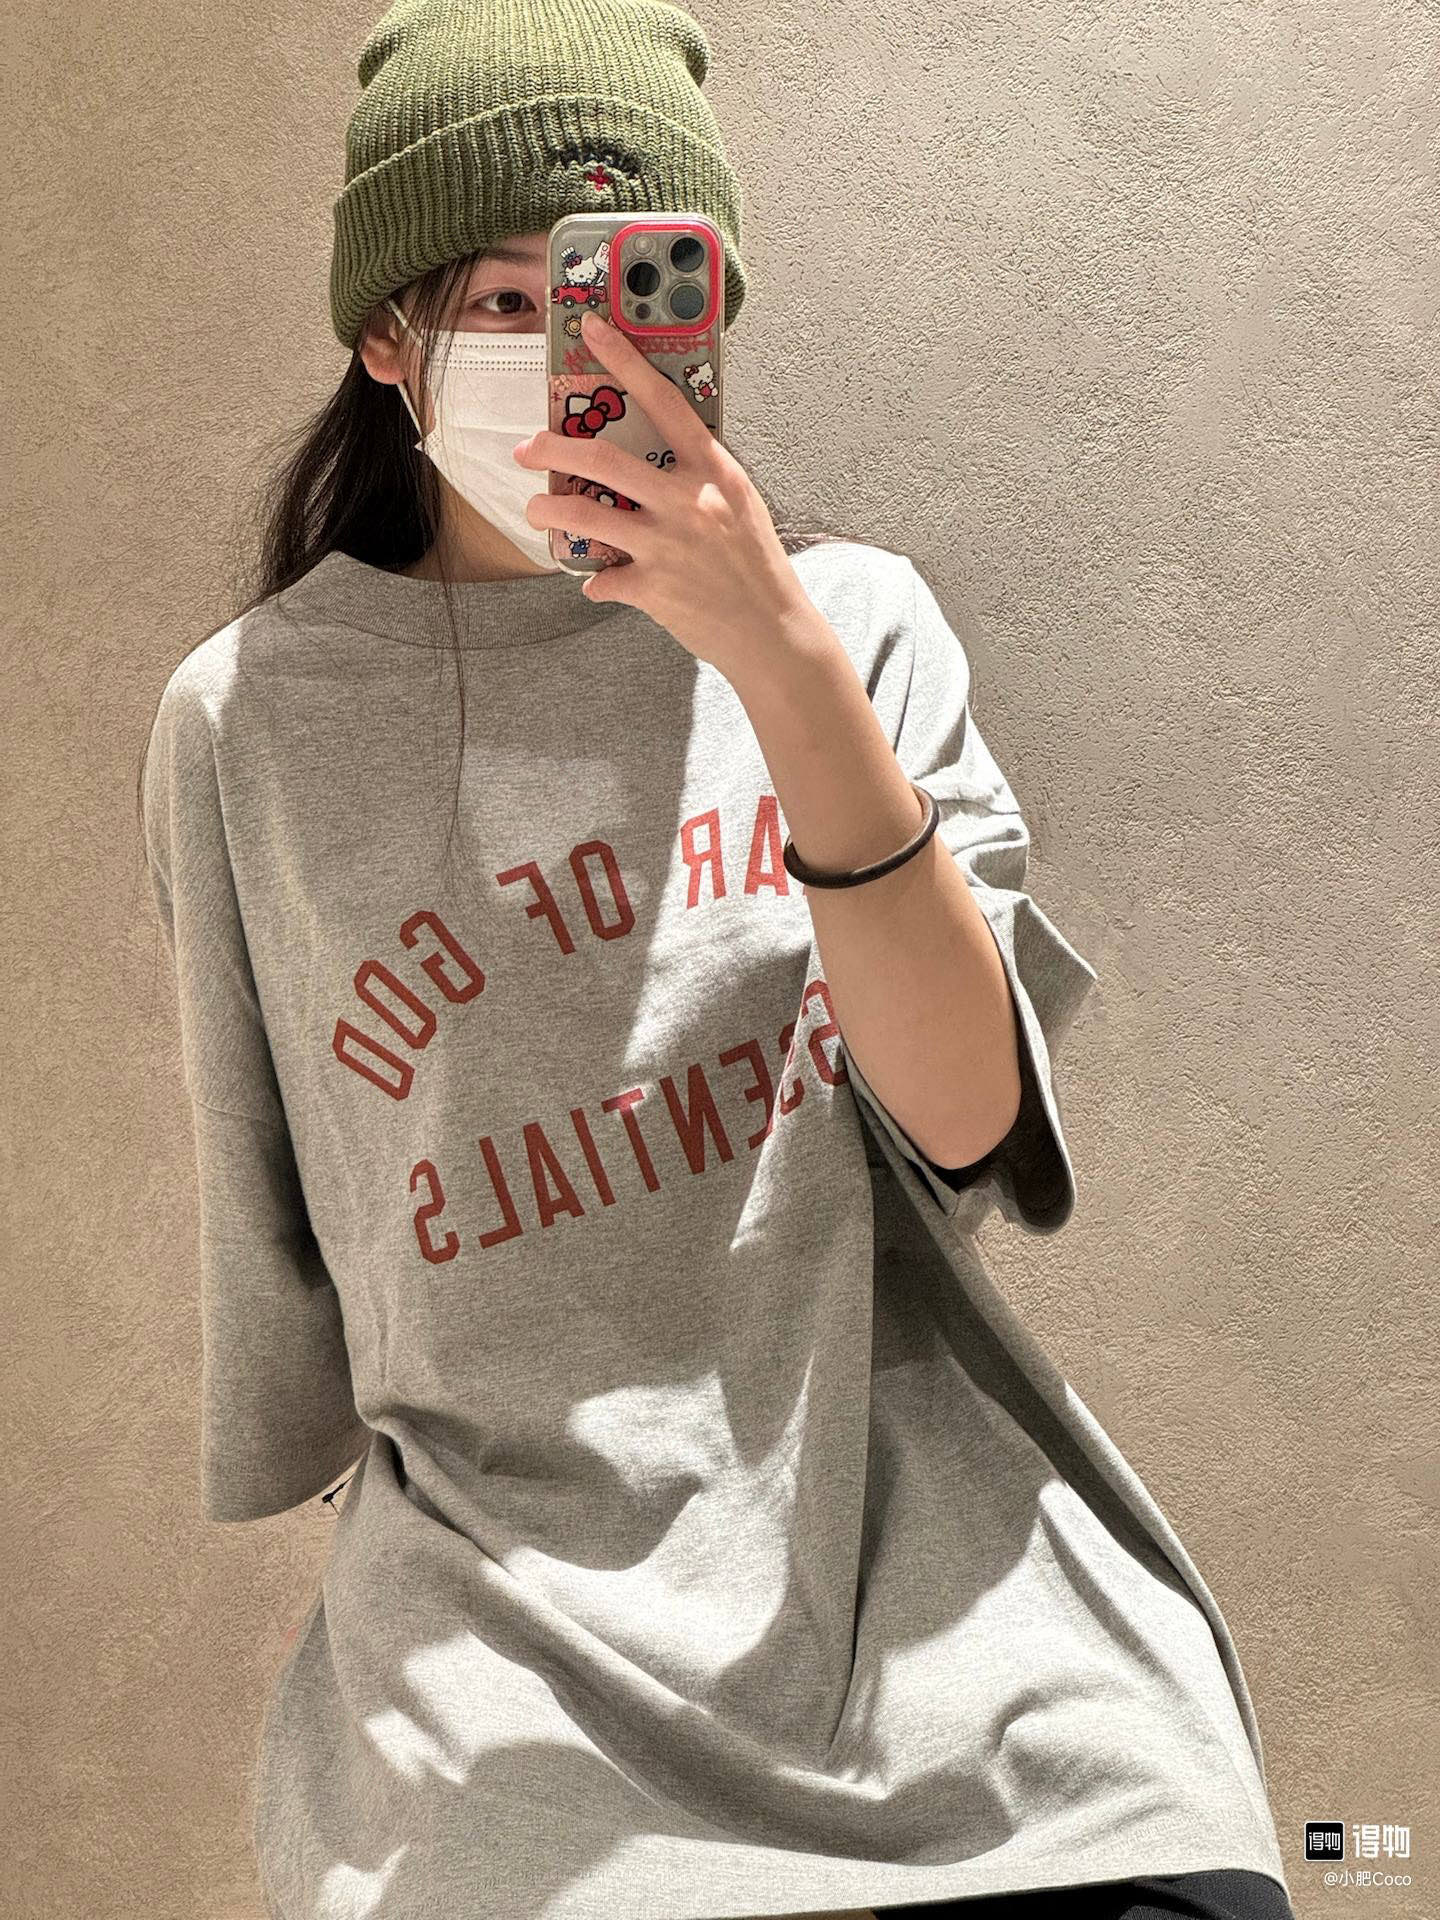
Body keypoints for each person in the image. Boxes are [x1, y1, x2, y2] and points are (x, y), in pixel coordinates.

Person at [138, 3, 1298, 1918]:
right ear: (386, 339)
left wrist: (773, 661)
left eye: (630, 299)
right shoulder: (247, 719)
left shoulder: (854, 628)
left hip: (963, 1649)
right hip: (506, 1674)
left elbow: (966, 1123)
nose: (575, 359)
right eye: (506, 302)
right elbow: (285, 1243)